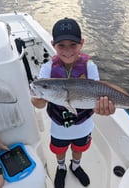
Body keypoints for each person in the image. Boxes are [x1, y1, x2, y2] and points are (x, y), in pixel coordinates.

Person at [31, 17, 115, 188]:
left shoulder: (89, 67)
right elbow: (39, 104)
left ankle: (75, 166)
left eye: (73, 45)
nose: (67, 50)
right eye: (61, 45)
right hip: (59, 127)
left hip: (83, 124)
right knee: (59, 150)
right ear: (53, 44)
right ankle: (61, 167)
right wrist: (37, 99)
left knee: (79, 149)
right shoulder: (47, 69)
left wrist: (105, 109)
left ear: (82, 43)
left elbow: (98, 98)